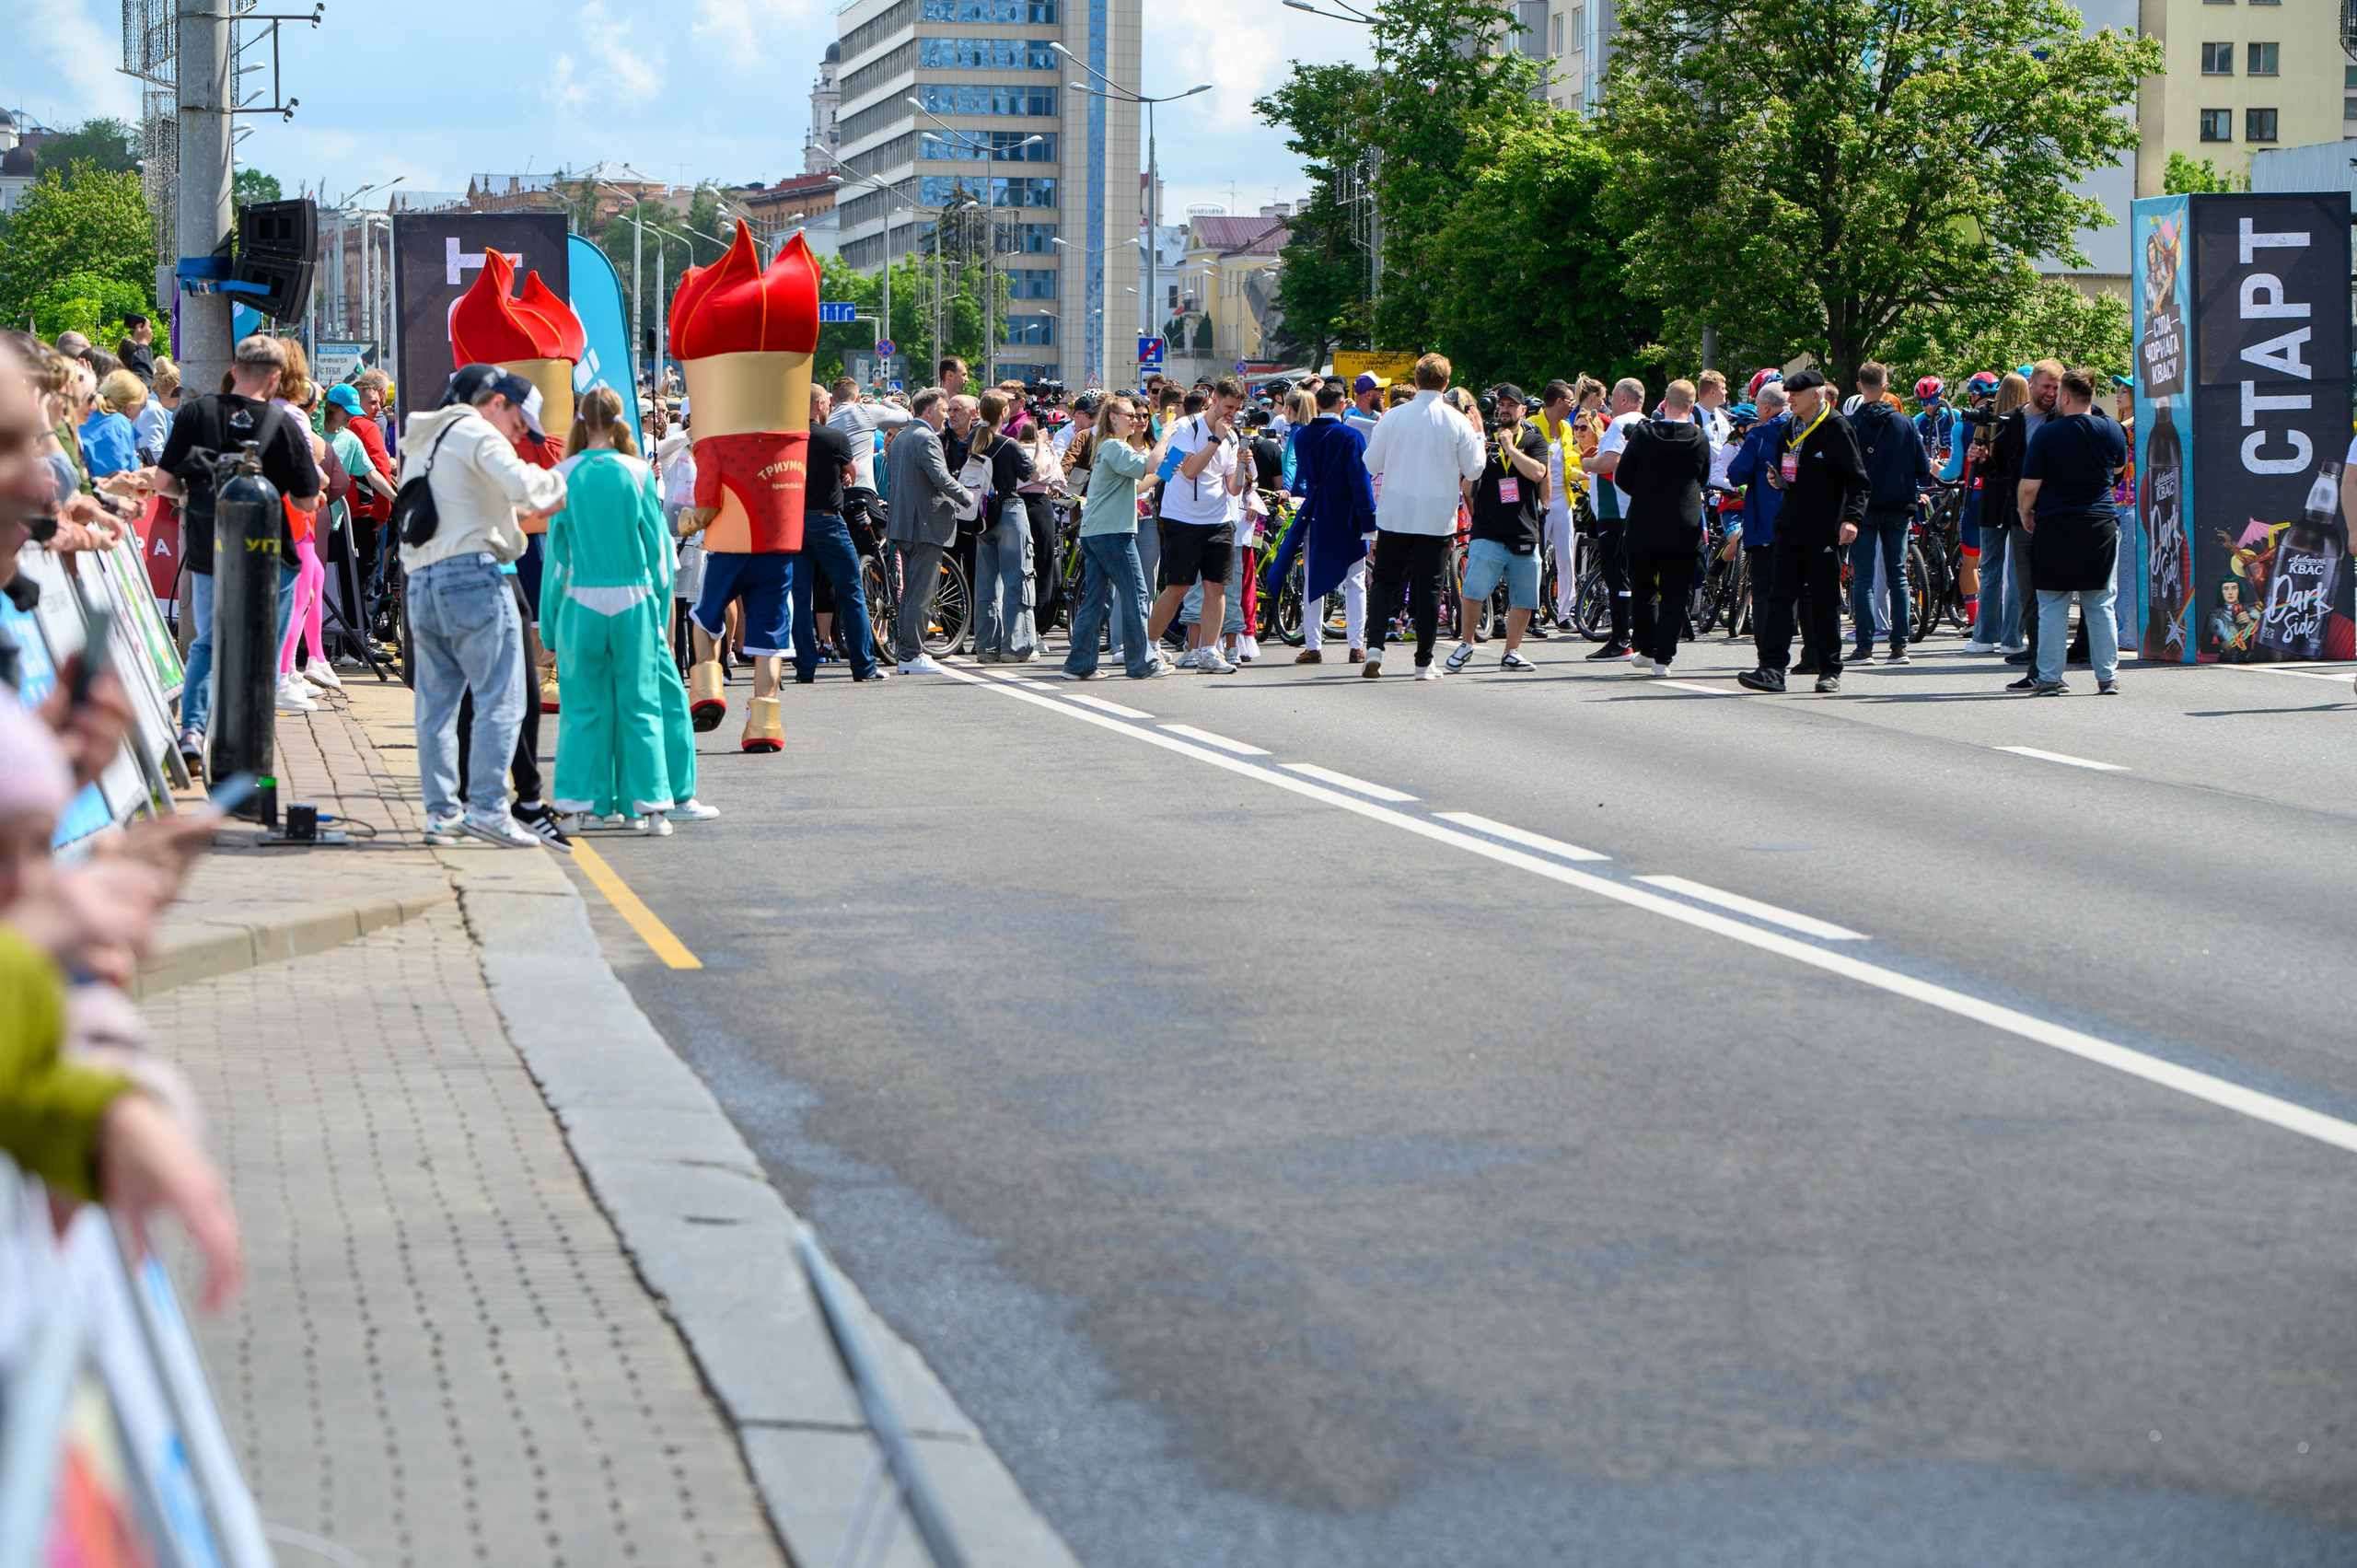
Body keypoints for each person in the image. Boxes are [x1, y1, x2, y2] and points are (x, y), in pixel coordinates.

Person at [397, 365, 566, 847]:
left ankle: (442, 814)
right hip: (473, 578)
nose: (519, 436)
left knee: (436, 706)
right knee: (502, 697)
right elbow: (527, 487)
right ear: (497, 403)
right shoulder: (478, 432)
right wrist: (564, 481)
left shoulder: (425, 439)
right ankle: (489, 808)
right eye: (519, 424)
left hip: (422, 581)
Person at [152, 334, 322, 771]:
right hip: (270, 554)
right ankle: (248, 743)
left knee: (208, 643)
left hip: (210, 551)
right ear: (275, 377)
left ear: (234, 369)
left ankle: (193, 731)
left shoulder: (195, 413)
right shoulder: (284, 424)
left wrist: (192, 495)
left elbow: (163, 482)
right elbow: (306, 500)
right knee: (262, 651)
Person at [546, 386, 694, 832]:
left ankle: (579, 808)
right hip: (633, 601)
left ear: (581, 419)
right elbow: (658, 556)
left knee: (581, 708)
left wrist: (550, 628)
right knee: (641, 705)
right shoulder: (638, 472)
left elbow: (557, 561)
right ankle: (650, 809)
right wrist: (661, 616)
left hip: (581, 602)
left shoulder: (564, 473)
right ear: (618, 420)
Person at [1737, 368, 1867, 694]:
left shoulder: (1837, 428)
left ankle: (1829, 668)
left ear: (1816, 396)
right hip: (1789, 527)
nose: (1790, 400)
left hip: (1823, 530)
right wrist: (1777, 480)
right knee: (1780, 599)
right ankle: (1771, 669)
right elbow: (1788, 471)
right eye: (1789, 394)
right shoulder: (1788, 428)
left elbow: (1858, 480)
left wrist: (1852, 519)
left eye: (1796, 395)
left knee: (1824, 601)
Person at [1359, 353, 1483, 680]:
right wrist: (1479, 435)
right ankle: (1423, 661)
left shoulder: (1393, 417)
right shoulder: (1457, 420)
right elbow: (1474, 470)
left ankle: (1374, 647)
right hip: (1436, 516)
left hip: (1395, 512)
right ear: (1446, 383)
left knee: (1384, 581)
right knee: (1429, 587)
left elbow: (1370, 464)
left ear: (1416, 380)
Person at [2017, 367, 2128, 696]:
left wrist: (2025, 512)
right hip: (2100, 523)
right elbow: (2118, 469)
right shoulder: (2112, 429)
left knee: (2053, 604)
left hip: (2056, 524)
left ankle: (2050, 678)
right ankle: (2107, 677)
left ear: (2065, 397)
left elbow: (2029, 486)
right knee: (2100, 603)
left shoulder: (2047, 434)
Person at [1062, 394, 1172, 680]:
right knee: (1136, 593)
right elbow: (1149, 466)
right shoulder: (1114, 446)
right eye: (1129, 415)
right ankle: (1142, 662)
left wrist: (1168, 466)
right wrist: (1166, 434)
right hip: (1113, 532)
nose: (1135, 420)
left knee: (1097, 599)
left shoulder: (1108, 446)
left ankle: (1079, 665)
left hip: (1097, 531)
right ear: (1113, 418)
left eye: (1137, 416)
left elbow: (1137, 484)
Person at [1612, 379, 1713, 676]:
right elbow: (1703, 477)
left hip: (1645, 521)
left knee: (1643, 588)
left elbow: (1623, 476)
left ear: (1664, 403)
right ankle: (1664, 658)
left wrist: (1645, 492)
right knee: (1675, 593)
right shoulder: (1699, 438)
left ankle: (1646, 648)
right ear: (1691, 407)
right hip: (1684, 523)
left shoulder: (1643, 435)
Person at [1446, 383, 1550, 672]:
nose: (1504, 410)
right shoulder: (1484, 440)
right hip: (1488, 529)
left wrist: (1510, 448)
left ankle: (1511, 652)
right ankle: (1466, 643)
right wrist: (1478, 450)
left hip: (1523, 529)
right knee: (1473, 590)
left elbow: (1538, 472)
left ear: (1522, 409)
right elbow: (1469, 487)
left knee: (1524, 597)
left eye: (1511, 405)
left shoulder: (1533, 439)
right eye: (1501, 405)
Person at [1147, 377, 1248, 674]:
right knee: (1178, 587)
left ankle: (1208, 651)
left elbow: (1233, 488)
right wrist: (1215, 440)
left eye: (1236, 408)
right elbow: (1189, 470)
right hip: (1183, 517)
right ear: (1214, 399)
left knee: (1216, 586)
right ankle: (1149, 645)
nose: (1231, 413)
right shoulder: (1186, 427)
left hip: (1219, 519)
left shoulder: (1232, 437)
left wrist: (1243, 464)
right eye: (1228, 406)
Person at [1275, 380, 1374, 664]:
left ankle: (1313, 645)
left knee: (1313, 578)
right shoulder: (1352, 436)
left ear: (1317, 404)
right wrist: (1369, 519)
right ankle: (1356, 645)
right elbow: (1360, 481)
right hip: (1347, 514)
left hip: (1316, 511)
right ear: (1342, 405)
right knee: (1355, 580)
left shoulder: (1304, 435)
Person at [882, 387, 976, 676]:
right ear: (929, 411)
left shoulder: (901, 437)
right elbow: (940, 477)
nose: (946, 416)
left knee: (911, 592)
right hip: (925, 525)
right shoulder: (927, 438)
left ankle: (907, 652)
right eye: (944, 410)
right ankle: (912, 655)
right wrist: (967, 495)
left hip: (904, 524)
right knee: (921, 594)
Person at [791, 385, 878, 682]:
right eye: (827, 403)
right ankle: (864, 666)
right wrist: (841, 474)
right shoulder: (834, 438)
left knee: (800, 596)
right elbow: (852, 472)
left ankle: (805, 668)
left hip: (794, 523)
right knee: (851, 592)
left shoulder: (789, 438)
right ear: (819, 405)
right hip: (827, 520)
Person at [1848, 361, 1931, 665]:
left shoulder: (1851, 424)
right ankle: (1899, 646)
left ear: (1859, 386)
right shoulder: (1905, 423)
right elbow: (1922, 467)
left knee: (1863, 577)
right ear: (1886, 387)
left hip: (1863, 506)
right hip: (1899, 505)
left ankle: (1865, 646)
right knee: (1898, 575)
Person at [967, 389, 1040, 662]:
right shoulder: (1009, 444)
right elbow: (1033, 474)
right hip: (1009, 510)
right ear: (1003, 412)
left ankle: (987, 647)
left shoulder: (975, 440)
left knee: (986, 583)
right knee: (1017, 578)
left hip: (983, 515)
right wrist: (1041, 446)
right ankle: (1016, 646)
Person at [1582, 377, 1647, 660]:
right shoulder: (1647, 422)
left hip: (1615, 509)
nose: (1609, 404)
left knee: (1615, 574)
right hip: (1636, 509)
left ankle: (1620, 639)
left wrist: (1587, 463)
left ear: (1623, 399)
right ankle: (1635, 637)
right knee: (1632, 574)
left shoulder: (1621, 423)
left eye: (1612, 399)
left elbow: (1610, 462)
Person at [1724, 383, 1793, 652]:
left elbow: (1735, 474)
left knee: (1764, 588)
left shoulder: (1760, 435)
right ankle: (1808, 653)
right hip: (1800, 523)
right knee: (1800, 588)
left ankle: (1768, 651)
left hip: (1765, 523)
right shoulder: (1805, 430)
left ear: (1765, 406)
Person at [80, 370, 145, 480]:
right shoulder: (119, 425)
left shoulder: (87, 415)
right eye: (142, 405)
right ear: (129, 407)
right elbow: (121, 480)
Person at [1343, 373, 1385, 439]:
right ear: (1369, 394)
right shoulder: (1345, 418)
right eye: (1381, 389)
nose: (1384, 393)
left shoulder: (1380, 418)